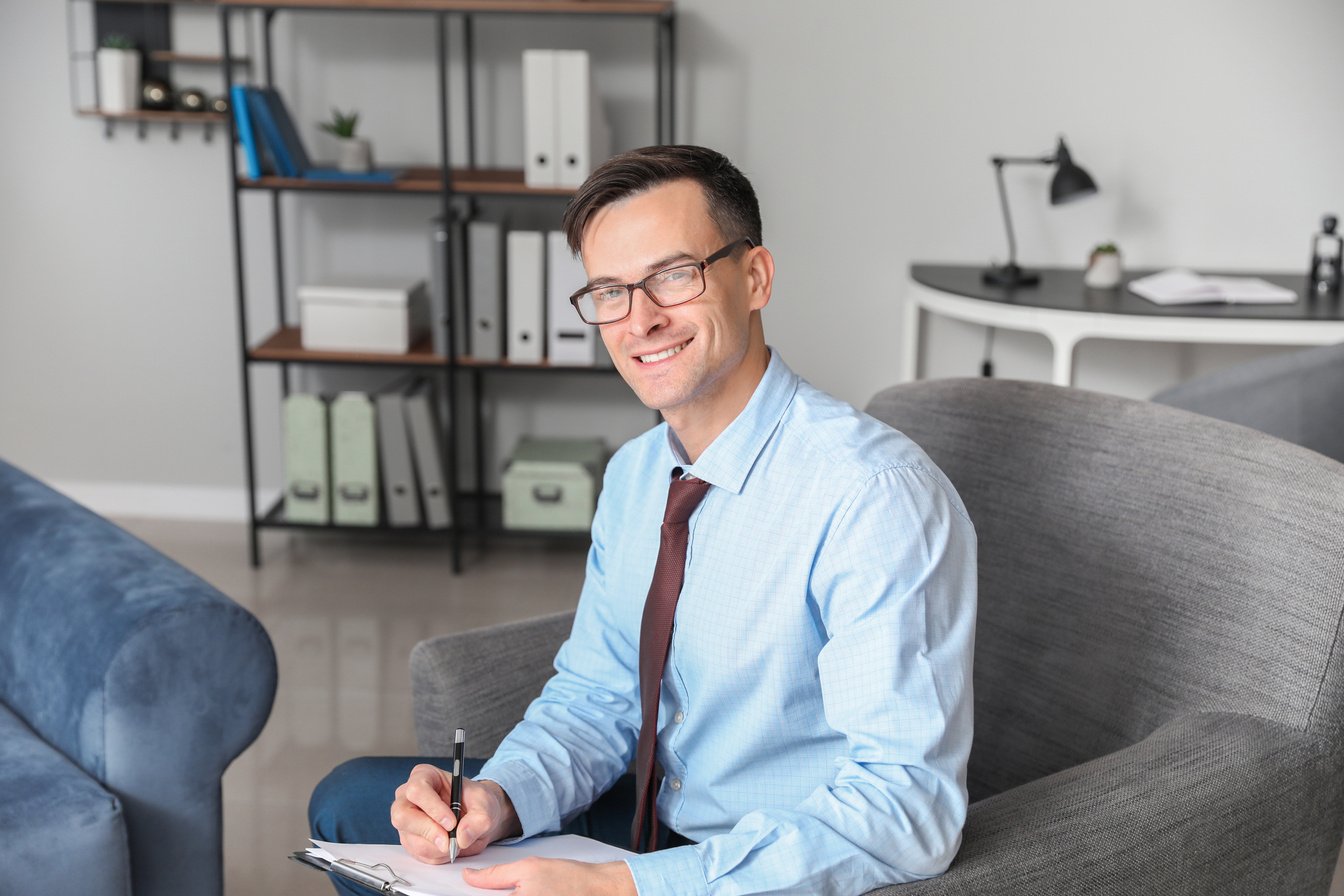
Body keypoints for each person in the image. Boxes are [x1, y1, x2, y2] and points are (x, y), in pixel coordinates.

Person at [310, 144, 977, 896]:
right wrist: (498, 800)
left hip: (764, 861)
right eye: (611, 291)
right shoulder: (636, 475)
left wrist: (626, 888)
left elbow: (905, 811)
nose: (641, 320)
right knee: (347, 804)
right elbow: (596, 699)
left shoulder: (871, 496)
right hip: (649, 822)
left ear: (753, 277)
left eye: (672, 276)